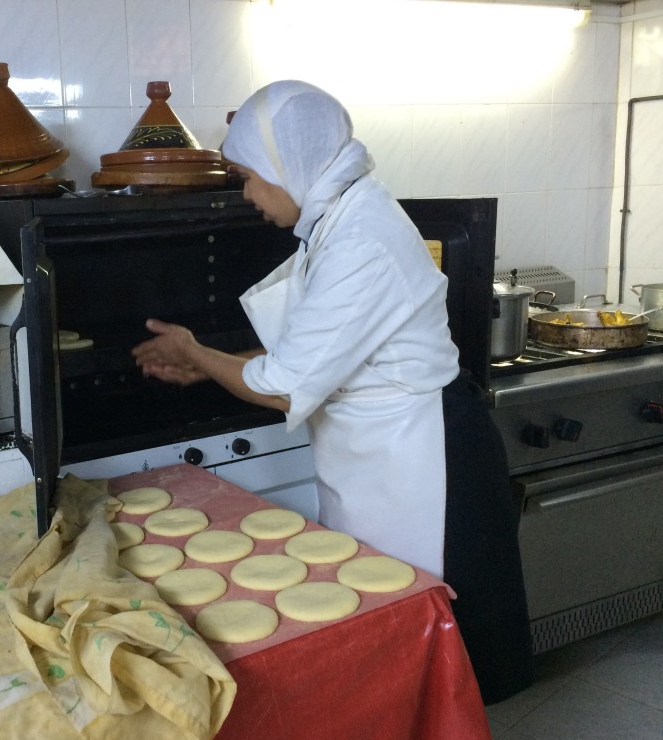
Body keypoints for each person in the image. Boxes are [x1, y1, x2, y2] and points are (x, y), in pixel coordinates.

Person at [131, 80, 533, 705]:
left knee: (445, 633)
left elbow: (287, 386)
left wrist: (197, 354)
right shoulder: (340, 218)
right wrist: (213, 364)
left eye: (249, 176)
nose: (246, 194)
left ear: (285, 164)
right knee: (394, 616)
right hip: (383, 453)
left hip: (428, 458)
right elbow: (318, 349)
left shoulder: (361, 238)